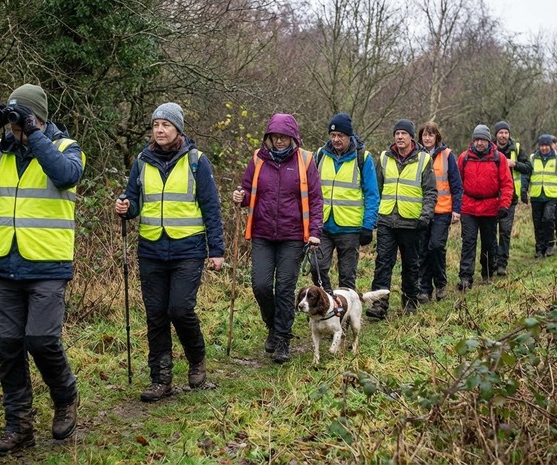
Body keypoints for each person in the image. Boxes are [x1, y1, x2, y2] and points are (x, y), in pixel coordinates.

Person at [0, 84, 84, 456]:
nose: (14, 127)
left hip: (48, 263)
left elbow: (65, 176)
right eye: (11, 119)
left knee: (41, 340)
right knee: (9, 348)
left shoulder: (66, 148)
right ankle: (19, 426)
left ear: (38, 117)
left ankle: (66, 395)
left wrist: (35, 135)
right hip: (5, 263)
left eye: (20, 118)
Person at [115, 103, 224, 402]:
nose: (160, 130)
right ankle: (160, 379)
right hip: (150, 248)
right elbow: (134, 202)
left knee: (180, 309)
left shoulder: (197, 161)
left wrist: (216, 250)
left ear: (178, 129)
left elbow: (211, 208)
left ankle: (197, 359)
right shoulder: (142, 161)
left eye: (166, 125)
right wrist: (125, 206)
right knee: (156, 315)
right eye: (156, 125)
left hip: (188, 248)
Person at [232, 113, 323, 363]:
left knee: (284, 287)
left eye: (284, 136)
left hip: (293, 235)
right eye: (275, 136)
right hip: (262, 233)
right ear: (268, 137)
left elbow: (316, 199)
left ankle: (282, 338)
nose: (279, 141)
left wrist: (315, 232)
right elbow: (247, 190)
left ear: (293, 137)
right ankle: (272, 325)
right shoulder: (257, 159)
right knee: (260, 285)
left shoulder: (305, 160)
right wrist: (241, 197)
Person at [367, 119, 437, 318]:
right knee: (383, 263)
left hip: (412, 222)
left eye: (403, 133)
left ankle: (410, 302)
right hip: (386, 220)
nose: (399, 137)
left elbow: (430, 191)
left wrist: (425, 216)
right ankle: (379, 304)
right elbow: (376, 189)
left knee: (411, 265)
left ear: (411, 137)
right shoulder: (384, 158)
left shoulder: (423, 159)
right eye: (397, 133)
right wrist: (374, 215)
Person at [310, 113, 380, 294]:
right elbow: (309, 189)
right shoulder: (320, 155)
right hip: (323, 225)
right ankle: (327, 303)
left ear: (349, 136)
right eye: (333, 135)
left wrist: (368, 225)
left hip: (350, 227)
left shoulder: (362, 158)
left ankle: (345, 308)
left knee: (347, 277)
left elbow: (372, 194)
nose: (336, 139)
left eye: (340, 135)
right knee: (317, 268)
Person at [456, 125, 514, 291]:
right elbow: (457, 183)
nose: (479, 143)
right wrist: (457, 205)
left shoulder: (498, 158)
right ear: (473, 141)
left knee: (489, 243)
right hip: (469, 207)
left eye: (482, 140)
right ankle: (465, 277)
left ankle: (487, 272)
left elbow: (507, 184)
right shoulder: (464, 158)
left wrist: (504, 205)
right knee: (468, 242)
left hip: (490, 207)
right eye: (477, 140)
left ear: (488, 141)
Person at [416, 122, 462, 301]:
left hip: (442, 210)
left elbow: (456, 184)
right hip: (420, 211)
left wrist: (456, 209)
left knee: (435, 246)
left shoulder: (447, 155)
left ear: (437, 137)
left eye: (431, 135)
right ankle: (424, 289)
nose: (427, 138)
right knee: (422, 250)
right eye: (424, 135)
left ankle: (441, 283)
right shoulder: (416, 156)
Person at [492, 121, 531, 276]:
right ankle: (492, 261)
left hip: (510, 197)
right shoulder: (489, 148)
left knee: (505, 231)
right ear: (496, 135)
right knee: (490, 232)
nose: (503, 135)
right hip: (491, 197)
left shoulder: (517, 148)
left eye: (506, 132)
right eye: (501, 132)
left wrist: (515, 164)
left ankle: (502, 264)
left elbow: (529, 168)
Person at [527, 134, 557, 257]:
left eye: (546, 145)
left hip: (552, 195)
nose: (544, 148)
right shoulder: (532, 158)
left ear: (551, 146)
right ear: (539, 146)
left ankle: (550, 244)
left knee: (548, 219)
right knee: (537, 223)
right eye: (542, 145)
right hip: (536, 195)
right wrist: (524, 190)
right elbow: (526, 175)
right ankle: (539, 248)